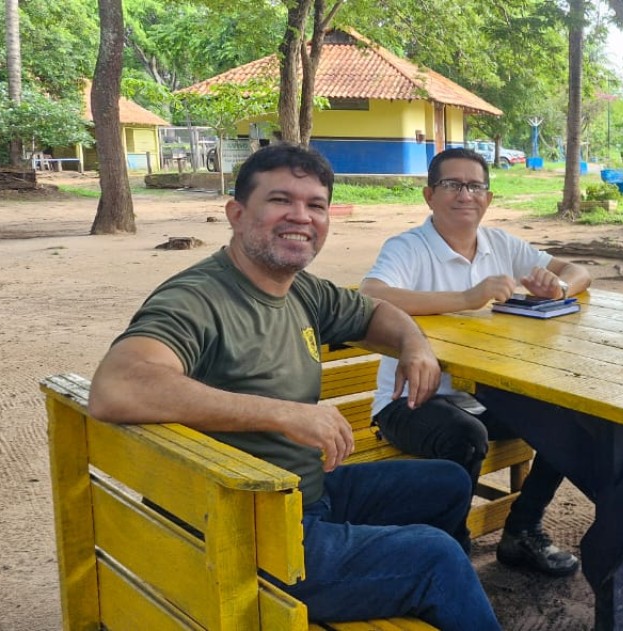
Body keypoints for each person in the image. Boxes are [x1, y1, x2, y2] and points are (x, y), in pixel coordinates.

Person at [86, 145, 499, 630]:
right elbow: (118, 386)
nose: (300, 217)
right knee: (437, 557)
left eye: (315, 205)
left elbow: (377, 312)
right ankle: (424, 587)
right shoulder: (197, 298)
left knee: (447, 480)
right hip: (244, 533)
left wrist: (415, 346)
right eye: (280, 200)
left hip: (306, 494)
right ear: (237, 214)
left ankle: (411, 599)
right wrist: (280, 412)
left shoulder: (297, 288)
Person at [362, 147, 592, 577]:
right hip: (409, 403)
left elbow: (579, 273)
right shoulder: (410, 248)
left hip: (485, 397)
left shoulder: (499, 244)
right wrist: (467, 299)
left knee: (568, 420)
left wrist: (557, 286)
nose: (465, 195)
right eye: (452, 185)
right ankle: (451, 554)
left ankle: (522, 531)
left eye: (475, 186)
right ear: (430, 195)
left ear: (487, 197)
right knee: (466, 436)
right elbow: (370, 295)